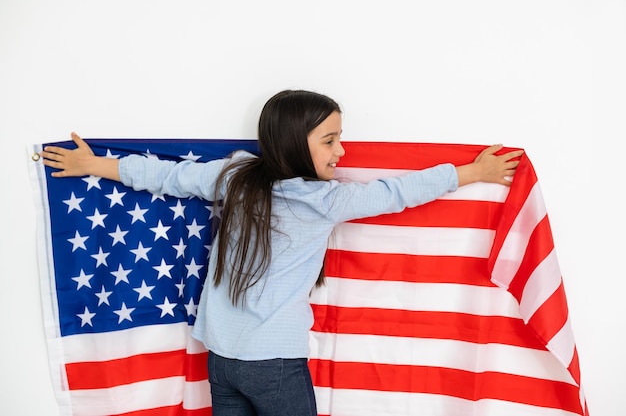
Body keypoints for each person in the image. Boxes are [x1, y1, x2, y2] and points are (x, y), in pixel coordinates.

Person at [40, 89, 523, 416]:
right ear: (295, 142)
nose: (342, 151)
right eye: (330, 140)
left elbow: (167, 176)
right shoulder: (328, 200)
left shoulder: (234, 176)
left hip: (221, 357)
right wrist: (470, 173)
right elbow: (397, 192)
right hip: (275, 365)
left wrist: (95, 165)